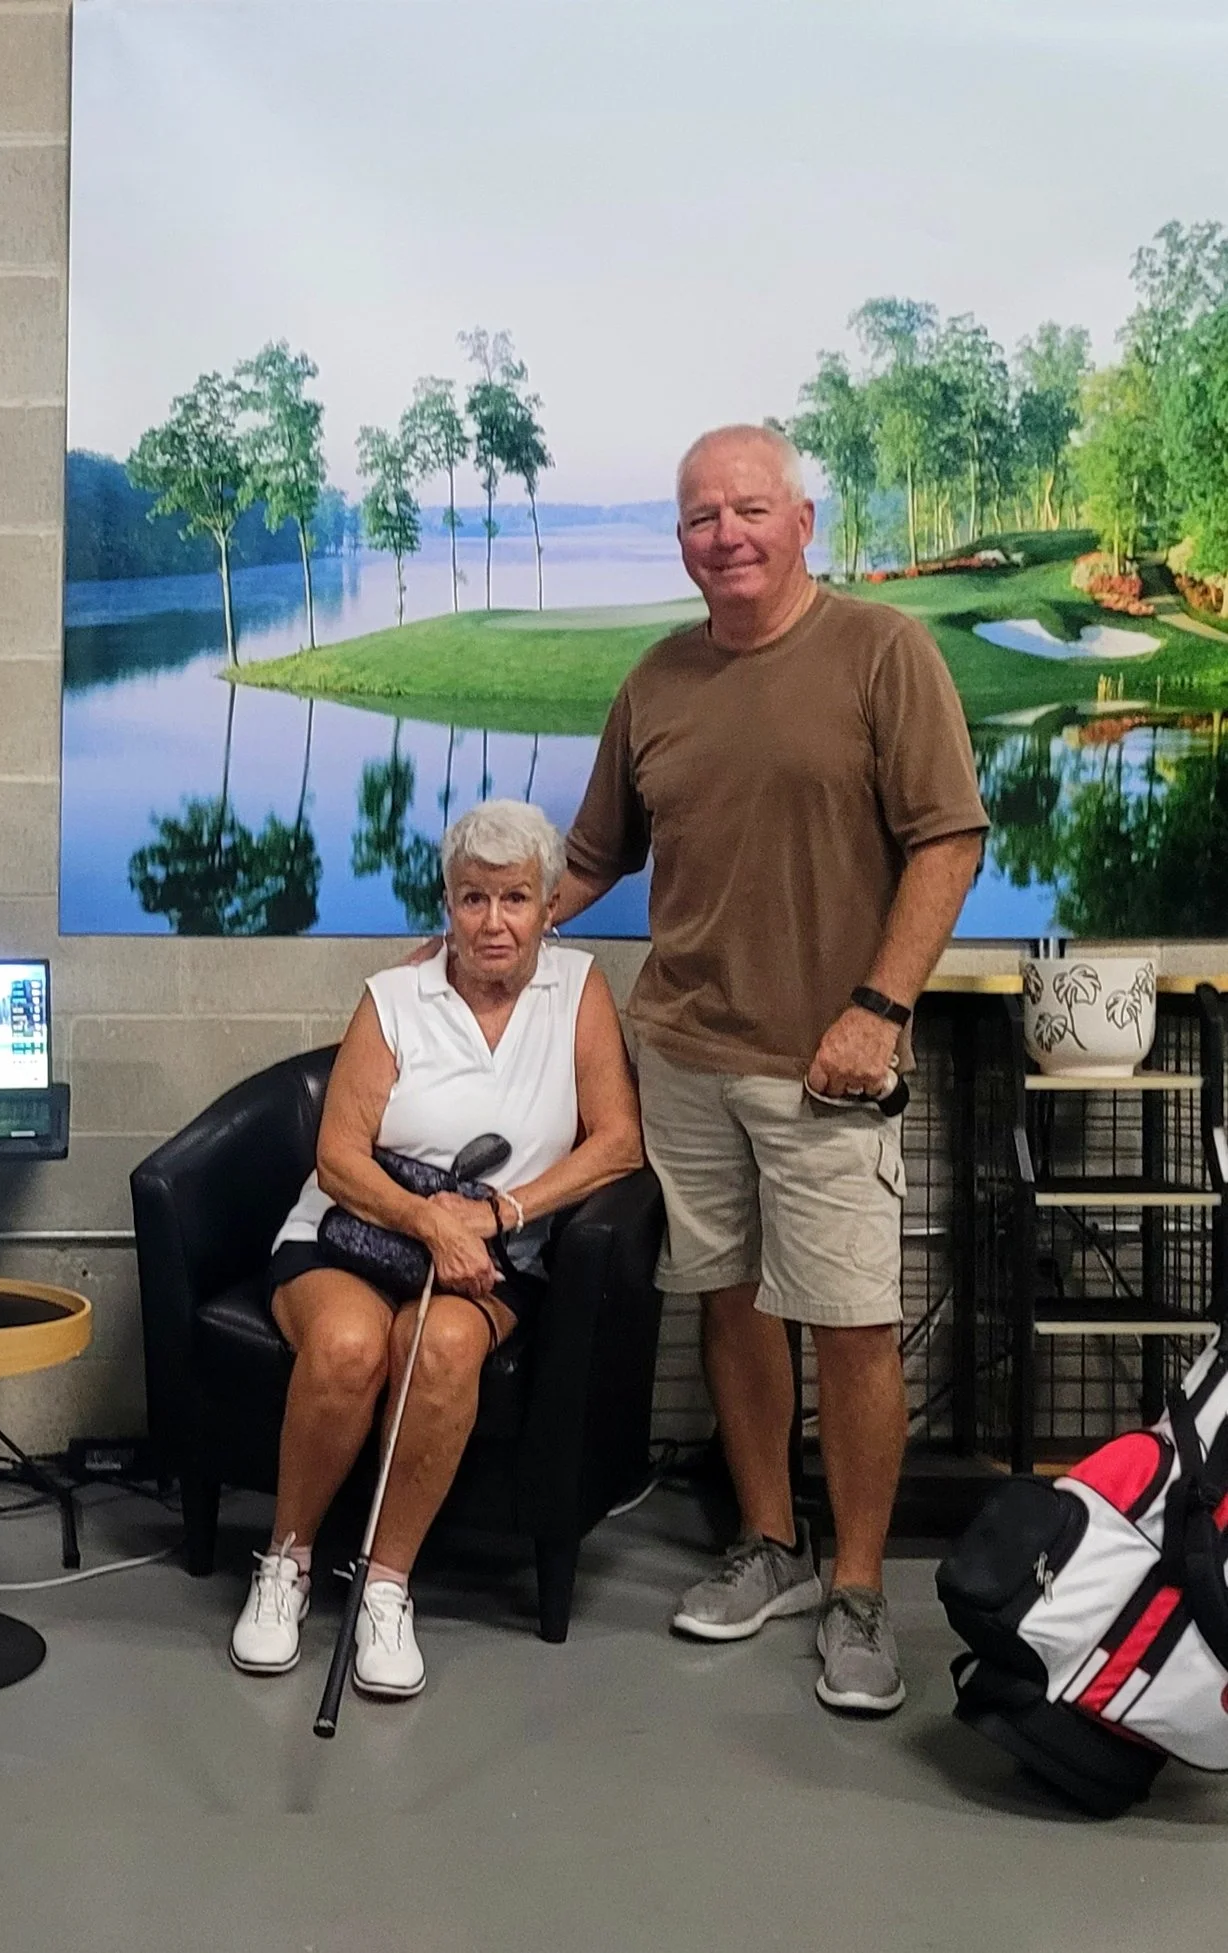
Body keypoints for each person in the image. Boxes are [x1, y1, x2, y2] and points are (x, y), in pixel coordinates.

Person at [558, 424, 988, 1715]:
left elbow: (949, 840)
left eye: (750, 509)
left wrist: (879, 1008)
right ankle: (771, 1545)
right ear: (680, 541)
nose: (726, 534)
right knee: (731, 1303)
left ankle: (857, 1590)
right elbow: (595, 855)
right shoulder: (656, 680)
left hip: (829, 1066)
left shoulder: (881, 651)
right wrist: (485, 926)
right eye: (702, 516)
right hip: (684, 1052)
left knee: (850, 1323)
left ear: (803, 522)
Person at [233, 801, 643, 1697]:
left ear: (548, 906)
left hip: (493, 1252)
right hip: (352, 1231)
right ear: (447, 904)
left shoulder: (578, 991)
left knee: (444, 1344)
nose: (493, 922)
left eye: (515, 899)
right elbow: (338, 1157)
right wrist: (432, 1222)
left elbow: (618, 1143)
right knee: (348, 1345)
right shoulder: (394, 996)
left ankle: (385, 1584)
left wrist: (499, 1214)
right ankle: (286, 1563)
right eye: (472, 898)